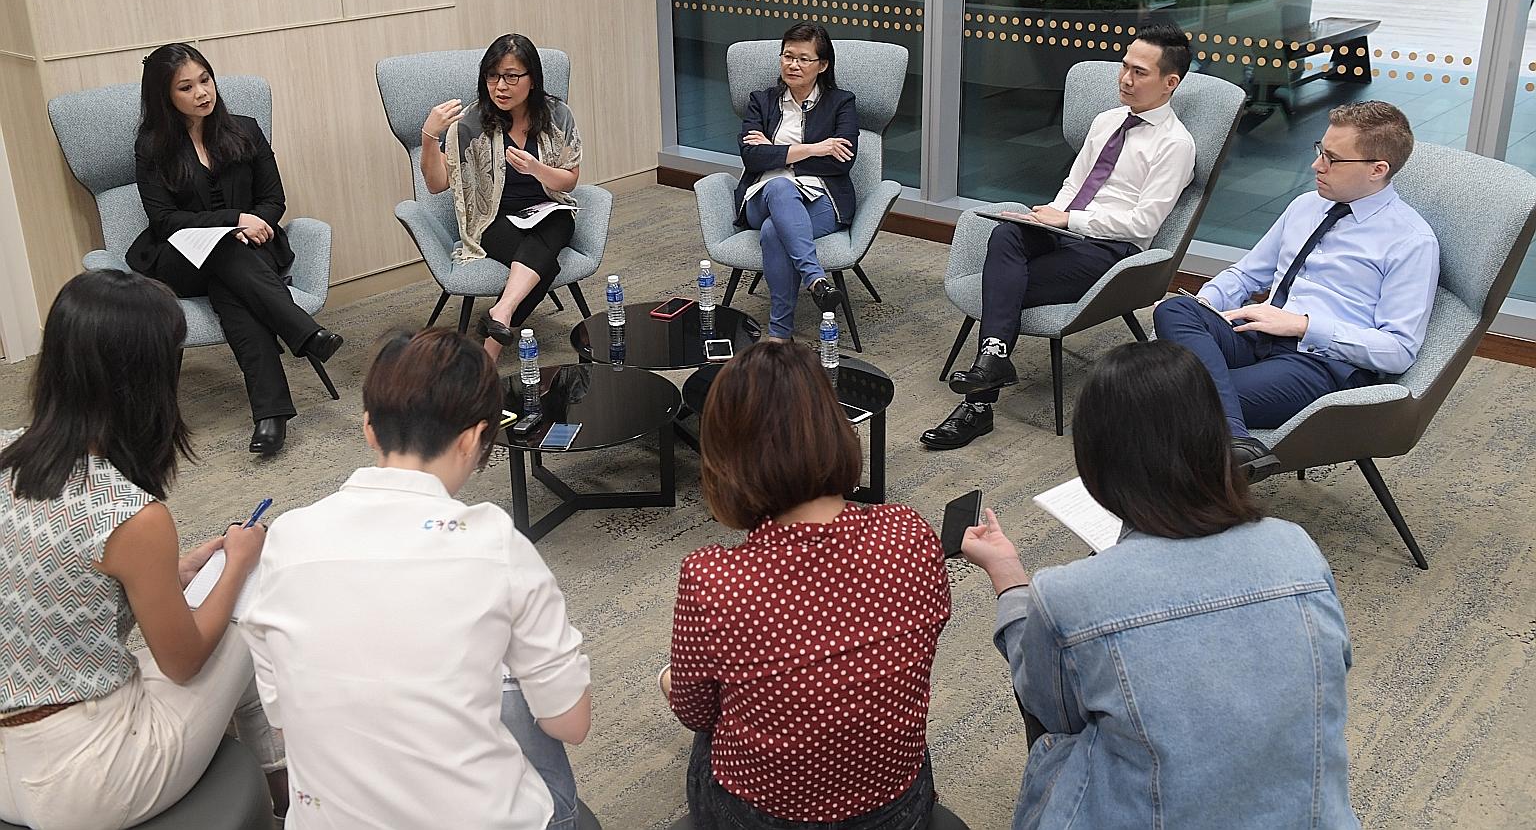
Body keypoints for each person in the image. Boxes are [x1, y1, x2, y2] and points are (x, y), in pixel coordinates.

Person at [961, 340, 1359, 829]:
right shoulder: (1297, 548)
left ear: (1097, 463)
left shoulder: (1070, 594)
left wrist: (1010, 580)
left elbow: (1052, 711)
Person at [241, 328, 592, 829]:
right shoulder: (495, 543)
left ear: (368, 429)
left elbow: (280, 714)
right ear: (474, 438)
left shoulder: (288, 539)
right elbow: (570, 723)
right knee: (515, 691)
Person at [0, 270, 285, 830]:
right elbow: (184, 662)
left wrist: (168, 572)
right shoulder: (131, 514)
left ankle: (272, 795)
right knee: (246, 616)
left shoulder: (7, 451)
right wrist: (240, 563)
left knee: (210, 602)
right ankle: (284, 796)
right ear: (146, 377)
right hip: (91, 780)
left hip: (10, 772)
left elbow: (44, 577)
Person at [663, 341, 951, 829]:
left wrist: (670, 680)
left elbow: (695, 713)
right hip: (896, 805)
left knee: (700, 706)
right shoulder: (912, 534)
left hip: (765, 815)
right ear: (834, 426)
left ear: (726, 458)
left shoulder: (712, 580)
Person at [921, 23, 1196, 450]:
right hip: (1064, 227)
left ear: (1170, 82)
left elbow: (1143, 224)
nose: (1125, 79)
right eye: (1124, 67)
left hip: (1111, 254)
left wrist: (1071, 222)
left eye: (1139, 73)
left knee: (1004, 284)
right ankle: (993, 360)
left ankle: (979, 404)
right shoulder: (1106, 120)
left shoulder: (1175, 145)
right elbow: (1074, 183)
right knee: (1007, 235)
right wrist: (1046, 218)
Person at [1153, 100, 1438, 479]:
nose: (1316, 166)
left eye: (1333, 159)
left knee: (1174, 392)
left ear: (1377, 170)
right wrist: (1208, 307)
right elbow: (1245, 276)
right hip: (1254, 334)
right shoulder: (1306, 206)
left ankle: (1229, 447)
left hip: (1317, 362)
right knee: (1175, 310)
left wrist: (1303, 325)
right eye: (1320, 151)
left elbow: (1399, 350)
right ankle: (1236, 443)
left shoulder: (1410, 241)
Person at [132, 42, 343, 456]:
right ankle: (303, 331)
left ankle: (271, 416)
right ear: (165, 97)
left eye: (205, 80)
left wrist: (252, 224)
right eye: (186, 87)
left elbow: (272, 198)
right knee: (223, 252)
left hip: (248, 250)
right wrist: (233, 222)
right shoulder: (152, 147)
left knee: (232, 287)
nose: (202, 93)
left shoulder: (245, 129)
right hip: (182, 257)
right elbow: (164, 220)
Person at [420, 33, 583, 360]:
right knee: (544, 264)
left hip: (548, 210)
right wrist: (429, 135)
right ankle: (495, 335)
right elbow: (437, 184)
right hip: (493, 219)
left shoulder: (556, 115)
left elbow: (569, 181)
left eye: (511, 76)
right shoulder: (471, 122)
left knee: (559, 222)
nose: (501, 86)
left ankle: (500, 316)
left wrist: (537, 170)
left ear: (532, 79)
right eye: (492, 77)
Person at [735, 21, 858, 340]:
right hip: (762, 197)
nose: (793, 64)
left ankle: (779, 334)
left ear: (823, 65)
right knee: (778, 185)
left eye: (803, 58)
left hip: (820, 200)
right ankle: (816, 279)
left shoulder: (841, 103)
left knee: (774, 231)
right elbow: (751, 157)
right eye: (787, 55)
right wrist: (815, 148)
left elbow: (842, 161)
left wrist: (775, 150)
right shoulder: (760, 101)